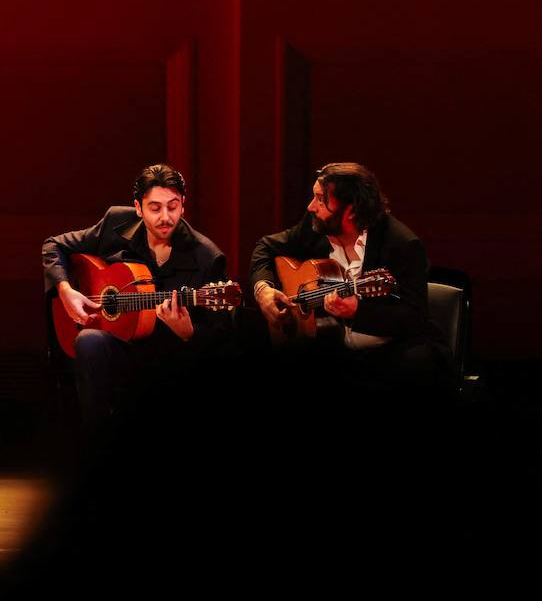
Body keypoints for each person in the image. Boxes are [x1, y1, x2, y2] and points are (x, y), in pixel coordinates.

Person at [42, 164, 229, 432]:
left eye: (173, 206)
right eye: (155, 208)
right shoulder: (116, 223)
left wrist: (189, 334)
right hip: (122, 349)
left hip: (173, 361)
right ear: (138, 208)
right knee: (88, 341)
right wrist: (65, 289)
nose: (165, 217)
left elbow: (223, 334)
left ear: (183, 205)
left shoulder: (207, 257)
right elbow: (53, 245)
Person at [249, 162, 445, 388]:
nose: (312, 206)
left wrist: (358, 312)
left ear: (351, 209)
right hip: (333, 351)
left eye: (321, 199)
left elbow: (415, 317)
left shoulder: (402, 245)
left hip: (390, 352)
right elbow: (265, 247)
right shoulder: (315, 226)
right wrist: (262, 289)